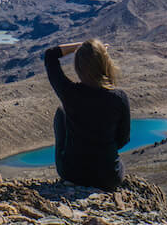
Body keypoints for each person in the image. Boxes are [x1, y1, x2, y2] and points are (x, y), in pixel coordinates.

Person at [44, 39, 130, 190]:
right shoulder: (119, 98)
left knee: (61, 112)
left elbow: (50, 55)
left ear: (78, 66)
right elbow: (123, 140)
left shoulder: (69, 93)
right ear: (105, 64)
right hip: (109, 177)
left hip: (73, 174)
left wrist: (81, 47)